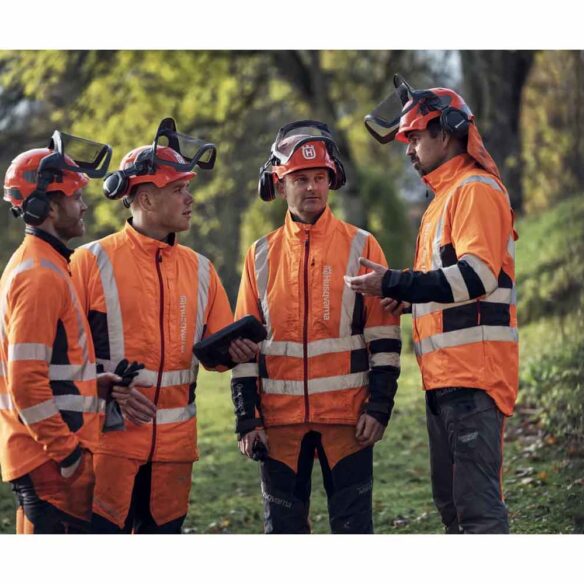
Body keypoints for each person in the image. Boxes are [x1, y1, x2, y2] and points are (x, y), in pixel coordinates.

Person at [347, 75, 519, 534]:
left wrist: (396, 281)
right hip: (445, 378)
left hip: (475, 376)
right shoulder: (444, 199)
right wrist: (406, 298)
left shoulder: (475, 190)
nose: (408, 150)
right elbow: (446, 286)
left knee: (476, 510)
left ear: (446, 133)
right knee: (453, 506)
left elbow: (476, 277)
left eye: (415, 138)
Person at [71, 118, 257, 534]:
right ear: (146, 199)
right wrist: (100, 385)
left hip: (173, 456)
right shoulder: (89, 263)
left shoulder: (202, 270)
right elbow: (59, 356)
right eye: (178, 190)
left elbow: (216, 354)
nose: (190, 199)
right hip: (107, 449)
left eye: (187, 188)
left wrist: (235, 353)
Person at [231, 120, 401, 533]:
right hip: (279, 427)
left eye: (320, 178)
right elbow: (244, 348)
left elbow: (384, 336)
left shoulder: (362, 245)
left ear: (332, 180)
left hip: (349, 422)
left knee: (353, 532)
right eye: (300, 179)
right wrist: (247, 418)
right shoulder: (260, 255)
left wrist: (379, 407)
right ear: (279, 184)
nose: (312, 188)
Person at [0, 131, 119, 533]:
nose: (83, 206)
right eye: (75, 196)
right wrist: (67, 454)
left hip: (46, 458)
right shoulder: (39, 276)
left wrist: (90, 385)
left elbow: (46, 366)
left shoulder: (46, 265)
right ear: (48, 206)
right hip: (49, 462)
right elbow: (24, 384)